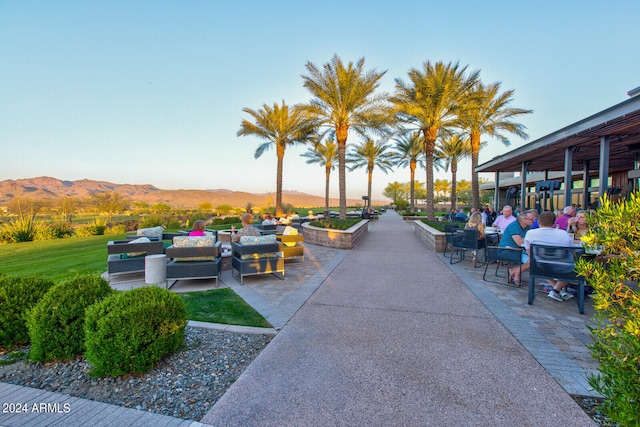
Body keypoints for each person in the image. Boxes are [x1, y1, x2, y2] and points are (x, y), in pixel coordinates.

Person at [524, 211, 576, 301]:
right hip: (563, 268)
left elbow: (529, 252)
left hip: (541, 266)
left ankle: (556, 290)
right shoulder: (564, 234)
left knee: (541, 264)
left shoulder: (530, 233)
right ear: (554, 222)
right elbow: (572, 251)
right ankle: (557, 290)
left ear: (539, 222)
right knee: (575, 267)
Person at [498, 210, 536, 286]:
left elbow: (528, 239)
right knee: (533, 261)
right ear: (524, 220)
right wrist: (527, 239)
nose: (534, 220)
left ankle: (515, 271)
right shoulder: (514, 226)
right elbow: (519, 242)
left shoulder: (528, 227)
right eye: (532, 219)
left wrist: (525, 239)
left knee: (535, 260)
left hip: (519, 250)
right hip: (508, 251)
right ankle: (515, 272)